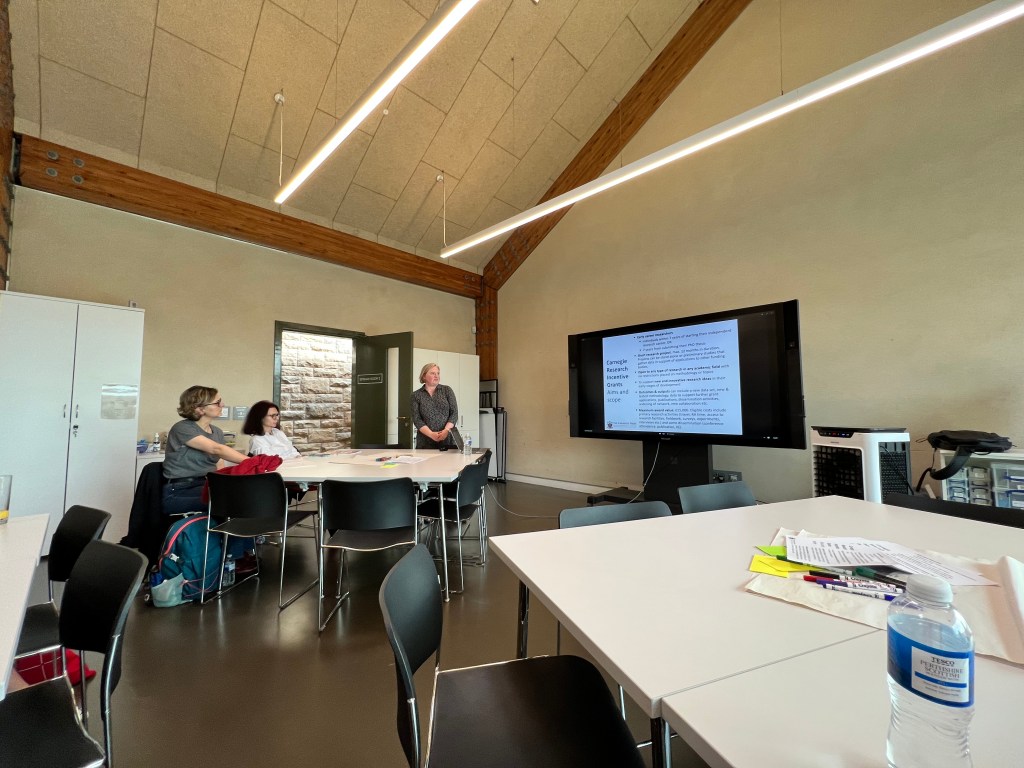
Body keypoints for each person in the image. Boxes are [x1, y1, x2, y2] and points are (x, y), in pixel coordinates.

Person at [162, 386, 250, 516]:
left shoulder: (217, 432)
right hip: (180, 491)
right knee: (233, 501)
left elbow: (219, 465)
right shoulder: (182, 428)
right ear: (199, 408)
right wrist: (255, 462)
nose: (223, 405)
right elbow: (216, 449)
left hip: (206, 485)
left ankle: (248, 536)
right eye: (217, 402)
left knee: (247, 494)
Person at [411, 362, 459, 449]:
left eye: (438, 373)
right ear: (424, 376)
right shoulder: (416, 395)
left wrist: (446, 430)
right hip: (425, 440)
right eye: (433, 373)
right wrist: (431, 434)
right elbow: (417, 419)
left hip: (447, 437)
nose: (436, 376)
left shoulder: (447, 390)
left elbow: (454, 413)